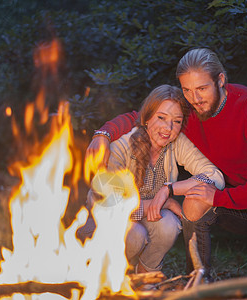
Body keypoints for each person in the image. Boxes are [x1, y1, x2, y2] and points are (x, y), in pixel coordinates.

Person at [86, 48, 247, 279]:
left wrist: (215, 197)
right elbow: (143, 116)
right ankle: (198, 279)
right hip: (241, 207)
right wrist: (103, 135)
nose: (194, 98)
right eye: (187, 90)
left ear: (220, 80)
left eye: (202, 88)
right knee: (194, 201)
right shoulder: (189, 110)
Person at [82, 84, 225, 274]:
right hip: (100, 225)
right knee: (135, 235)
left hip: (139, 217)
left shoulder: (176, 143)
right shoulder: (120, 147)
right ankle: (101, 274)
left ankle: (146, 276)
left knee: (168, 225)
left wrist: (170, 189)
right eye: (161, 117)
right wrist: (161, 204)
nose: (168, 128)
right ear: (147, 118)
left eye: (176, 121)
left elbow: (215, 176)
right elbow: (111, 208)